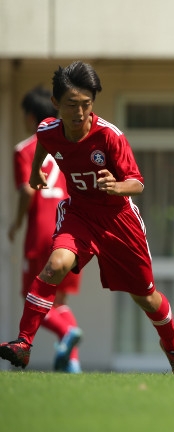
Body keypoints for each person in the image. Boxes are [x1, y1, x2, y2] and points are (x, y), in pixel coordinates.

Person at [0, 61, 174, 375]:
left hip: (119, 221)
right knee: (55, 265)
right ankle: (23, 344)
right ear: (55, 104)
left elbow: (138, 183)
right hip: (79, 214)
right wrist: (36, 170)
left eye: (86, 105)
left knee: (146, 297)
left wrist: (116, 186)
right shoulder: (48, 130)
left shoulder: (109, 136)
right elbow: (45, 144)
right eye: (71, 105)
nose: (79, 113)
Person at [8, 86, 83, 373]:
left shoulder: (25, 150)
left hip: (41, 230)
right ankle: (72, 362)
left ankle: (65, 335)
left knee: (31, 294)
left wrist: (16, 224)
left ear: (30, 117)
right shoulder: (69, 146)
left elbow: (28, 191)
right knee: (58, 300)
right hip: (70, 230)